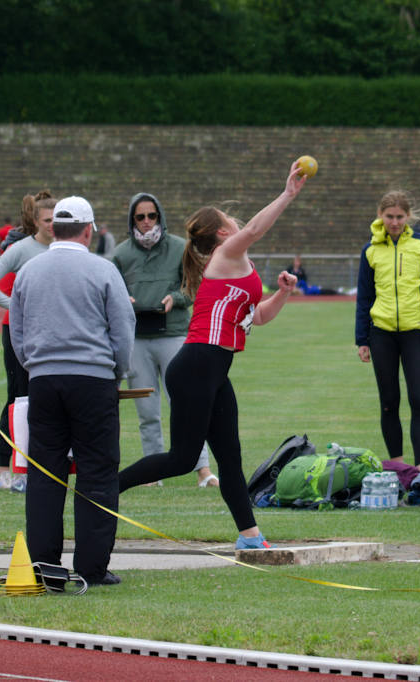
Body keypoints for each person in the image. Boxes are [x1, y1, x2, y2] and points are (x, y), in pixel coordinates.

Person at [119, 160, 307, 550]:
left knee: (230, 458)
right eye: (229, 219)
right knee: (182, 459)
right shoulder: (224, 256)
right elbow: (255, 228)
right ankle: (104, 486)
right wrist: (287, 193)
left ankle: (250, 537)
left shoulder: (240, 264)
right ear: (223, 232)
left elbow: (259, 317)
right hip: (195, 367)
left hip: (213, 370)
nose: (237, 222)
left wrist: (283, 293)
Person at [9, 195, 134, 586]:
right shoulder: (103, 269)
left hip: (44, 379)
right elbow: (122, 327)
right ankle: (92, 566)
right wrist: (117, 370)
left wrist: (35, 364)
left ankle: (46, 565)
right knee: (97, 471)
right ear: (88, 230)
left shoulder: (30, 269)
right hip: (93, 378)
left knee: (45, 472)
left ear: (54, 228)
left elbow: (17, 327)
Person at [111, 192, 217, 489]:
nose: (146, 222)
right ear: (132, 220)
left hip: (174, 335)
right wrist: (124, 299)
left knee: (186, 404)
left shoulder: (180, 248)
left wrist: (177, 298)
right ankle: (152, 473)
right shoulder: (120, 254)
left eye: (151, 216)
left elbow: (195, 286)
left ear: (160, 217)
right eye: (140, 217)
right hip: (138, 339)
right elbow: (110, 291)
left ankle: (203, 471)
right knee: (147, 410)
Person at [355, 190, 420, 472]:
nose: (394, 222)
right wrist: (362, 339)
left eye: (399, 217)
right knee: (389, 401)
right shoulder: (370, 249)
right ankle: (398, 466)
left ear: (408, 217)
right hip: (381, 334)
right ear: (380, 216)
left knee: (419, 399)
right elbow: (364, 298)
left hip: (415, 333)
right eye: (389, 216)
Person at [0, 190, 56, 492]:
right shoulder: (22, 249)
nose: (52, 225)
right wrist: (16, 306)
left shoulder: (67, 249)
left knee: (49, 400)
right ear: (36, 221)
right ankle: (5, 470)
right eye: (47, 220)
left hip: (55, 335)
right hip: (20, 333)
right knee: (19, 399)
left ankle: (41, 467)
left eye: (57, 219)